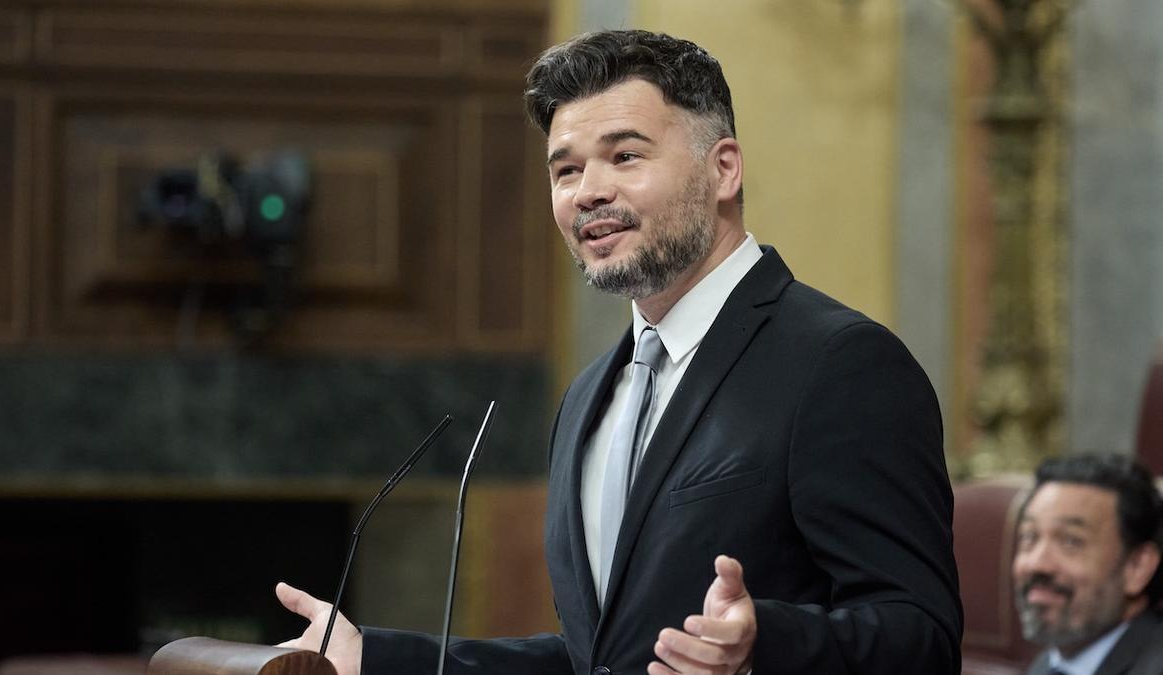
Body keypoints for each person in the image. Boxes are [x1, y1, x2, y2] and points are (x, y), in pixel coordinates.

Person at [275, 29, 963, 674]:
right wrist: (375, 658)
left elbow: (921, 635)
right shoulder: (588, 397)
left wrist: (761, 646)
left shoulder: (840, 363)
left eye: (625, 156)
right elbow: (601, 658)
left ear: (723, 169)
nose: (589, 192)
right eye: (566, 170)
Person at [1015, 454, 1163, 675]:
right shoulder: (1050, 662)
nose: (1037, 564)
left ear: (1137, 566)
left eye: (1071, 541)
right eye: (1029, 537)